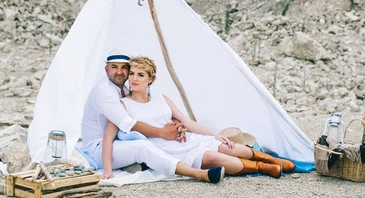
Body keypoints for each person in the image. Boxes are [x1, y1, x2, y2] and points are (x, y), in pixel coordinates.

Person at [101, 56, 297, 179]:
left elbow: (186, 122)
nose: (134, 78)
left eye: (140, 74)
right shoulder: (122, 105)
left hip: (187, 139)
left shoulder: (162, 98)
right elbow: (108, 139)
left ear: (150, 79)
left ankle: (269, 158)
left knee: (227, 146)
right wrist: (108, 170)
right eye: (132, 74)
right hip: (168, 149)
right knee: (214, 157)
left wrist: (215, 135)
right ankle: (262, 167)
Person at [81, 49, 225, 184]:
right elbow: (126, 124)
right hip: (98, 148)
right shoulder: (104, 91)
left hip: (118, 143)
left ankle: (136, 163)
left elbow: (144, 114)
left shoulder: (123, 88)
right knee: (142, 147)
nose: (119, 72)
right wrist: (162, 132)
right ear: (106, 69)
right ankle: (198, 174)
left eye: (124, 68)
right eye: (114, 67)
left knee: (150, 144)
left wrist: (175, 122)